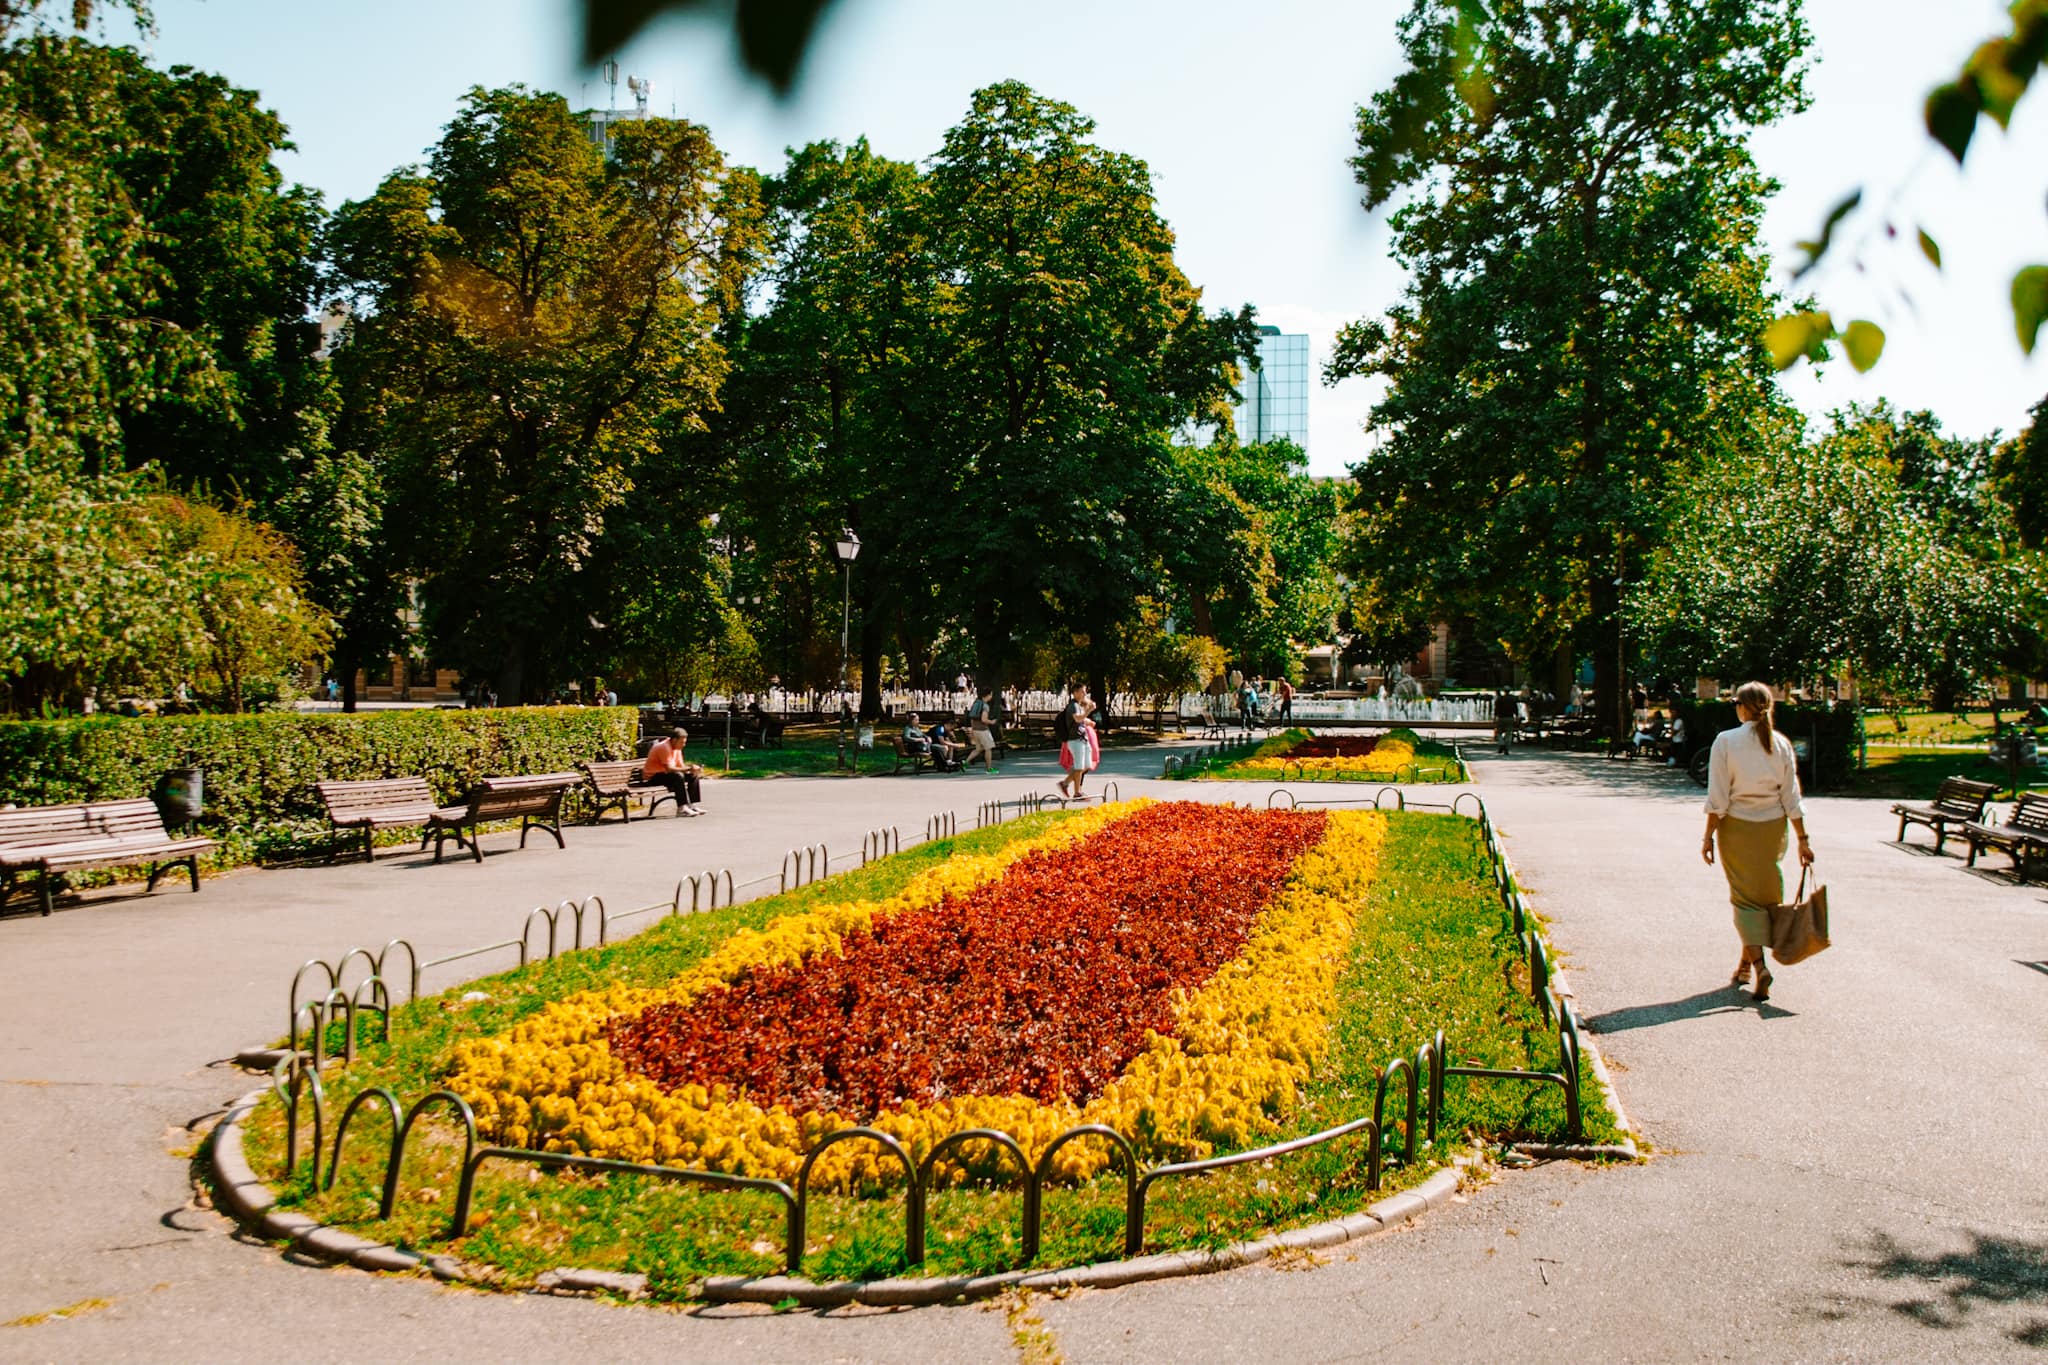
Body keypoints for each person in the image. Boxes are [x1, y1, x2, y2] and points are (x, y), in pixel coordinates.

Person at [1701, 681, 1812, 1004]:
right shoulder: (1780, 744)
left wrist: (1708, 835)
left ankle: (1760, 968)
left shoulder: (1726, 741)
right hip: (1773, 830)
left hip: (1737, 829)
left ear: (1744, 707)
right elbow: (1791, 796)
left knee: (1743, 901)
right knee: (1763, 900)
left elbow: (1718, 797)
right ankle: (1743, 968)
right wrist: (1803, 839)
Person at [642, 727, 706, 817]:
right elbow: (669, 768)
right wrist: (688, 769)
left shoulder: (677, 748)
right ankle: (681, 808)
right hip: (652, 777)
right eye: (682, 742)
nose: (684, 745)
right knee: (678, 776)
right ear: (674, 740)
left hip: (666, 775)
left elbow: (680, 766)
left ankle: (691, 805)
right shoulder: (664, 747)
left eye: (684, 742)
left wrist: (693, 769)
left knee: (693, 775)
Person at [967, 688, 999, 772]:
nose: (991, 696)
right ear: (987, 695)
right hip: (983, 730)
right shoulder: (985, 706)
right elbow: (983, 719)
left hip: (976, 729)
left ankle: (965, 762)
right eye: (991, 694)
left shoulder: (976, 703)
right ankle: (989, 768)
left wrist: (973, 729)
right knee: (988, 748)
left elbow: (972, 718)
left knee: (978, 749)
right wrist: (991, 722)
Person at [1493, 687, 1517, 755]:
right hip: (1510, 718)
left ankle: (1501, 743)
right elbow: (1515, 708)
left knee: (1499, 732)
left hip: (1501, 718)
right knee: (1509, 733)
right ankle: (1507, 748)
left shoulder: (1500, 699)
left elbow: (1496, 709)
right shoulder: (1512, 699)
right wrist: (1517, 716)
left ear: (1504, 691)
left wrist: (1494, 717)